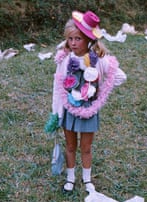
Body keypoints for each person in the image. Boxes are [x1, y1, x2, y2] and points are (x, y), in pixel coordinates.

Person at [50, 10, 127, 192]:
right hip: (69, 108)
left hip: (89, 109)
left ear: (88, 39)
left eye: (78, 39)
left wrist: (100, 88)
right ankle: (70, 178)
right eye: (70, 39)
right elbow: (57, 87)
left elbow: (120, 76)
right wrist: (56, 111)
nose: (73, 43)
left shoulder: (98, 60)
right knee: (70, 145)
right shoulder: (65, 59)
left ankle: (86, 179)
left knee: (86, 147)